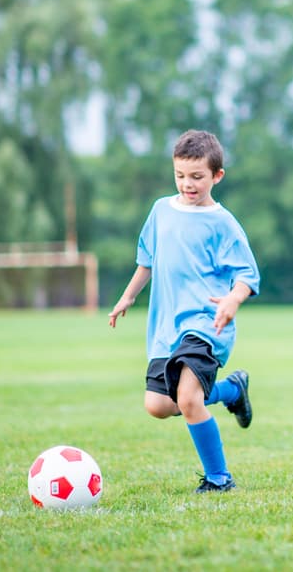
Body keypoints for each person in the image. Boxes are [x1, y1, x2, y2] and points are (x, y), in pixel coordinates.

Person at [108, 129, 260, 493]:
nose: (187, 184)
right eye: (180, 175)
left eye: (197, 177)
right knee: (159, 405)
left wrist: (232, 300)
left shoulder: (223, 223)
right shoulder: (161, 210)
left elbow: (246, 275)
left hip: (207, 325)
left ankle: (220, 479)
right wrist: (127, 297)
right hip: (165, 328)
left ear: (216, 176)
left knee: (188, 398)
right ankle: (231, 391)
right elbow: (147, 260)